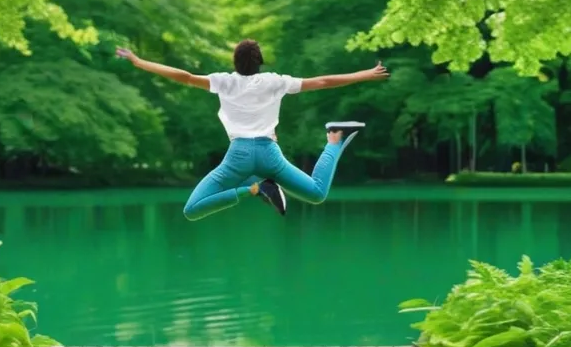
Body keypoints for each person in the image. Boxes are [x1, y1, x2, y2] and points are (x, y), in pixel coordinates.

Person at [115, 40, 389, 220]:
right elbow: (323, 81)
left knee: (192, 210)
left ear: (235, 62)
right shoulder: (275, 81)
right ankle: (335, 139)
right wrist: (364, 74)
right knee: (317, 193)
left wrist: (139, 62)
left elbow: (184, 77)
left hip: (238, 158)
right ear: (260, 61)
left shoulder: (223, 82)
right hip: (270, 154)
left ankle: (256, 190)